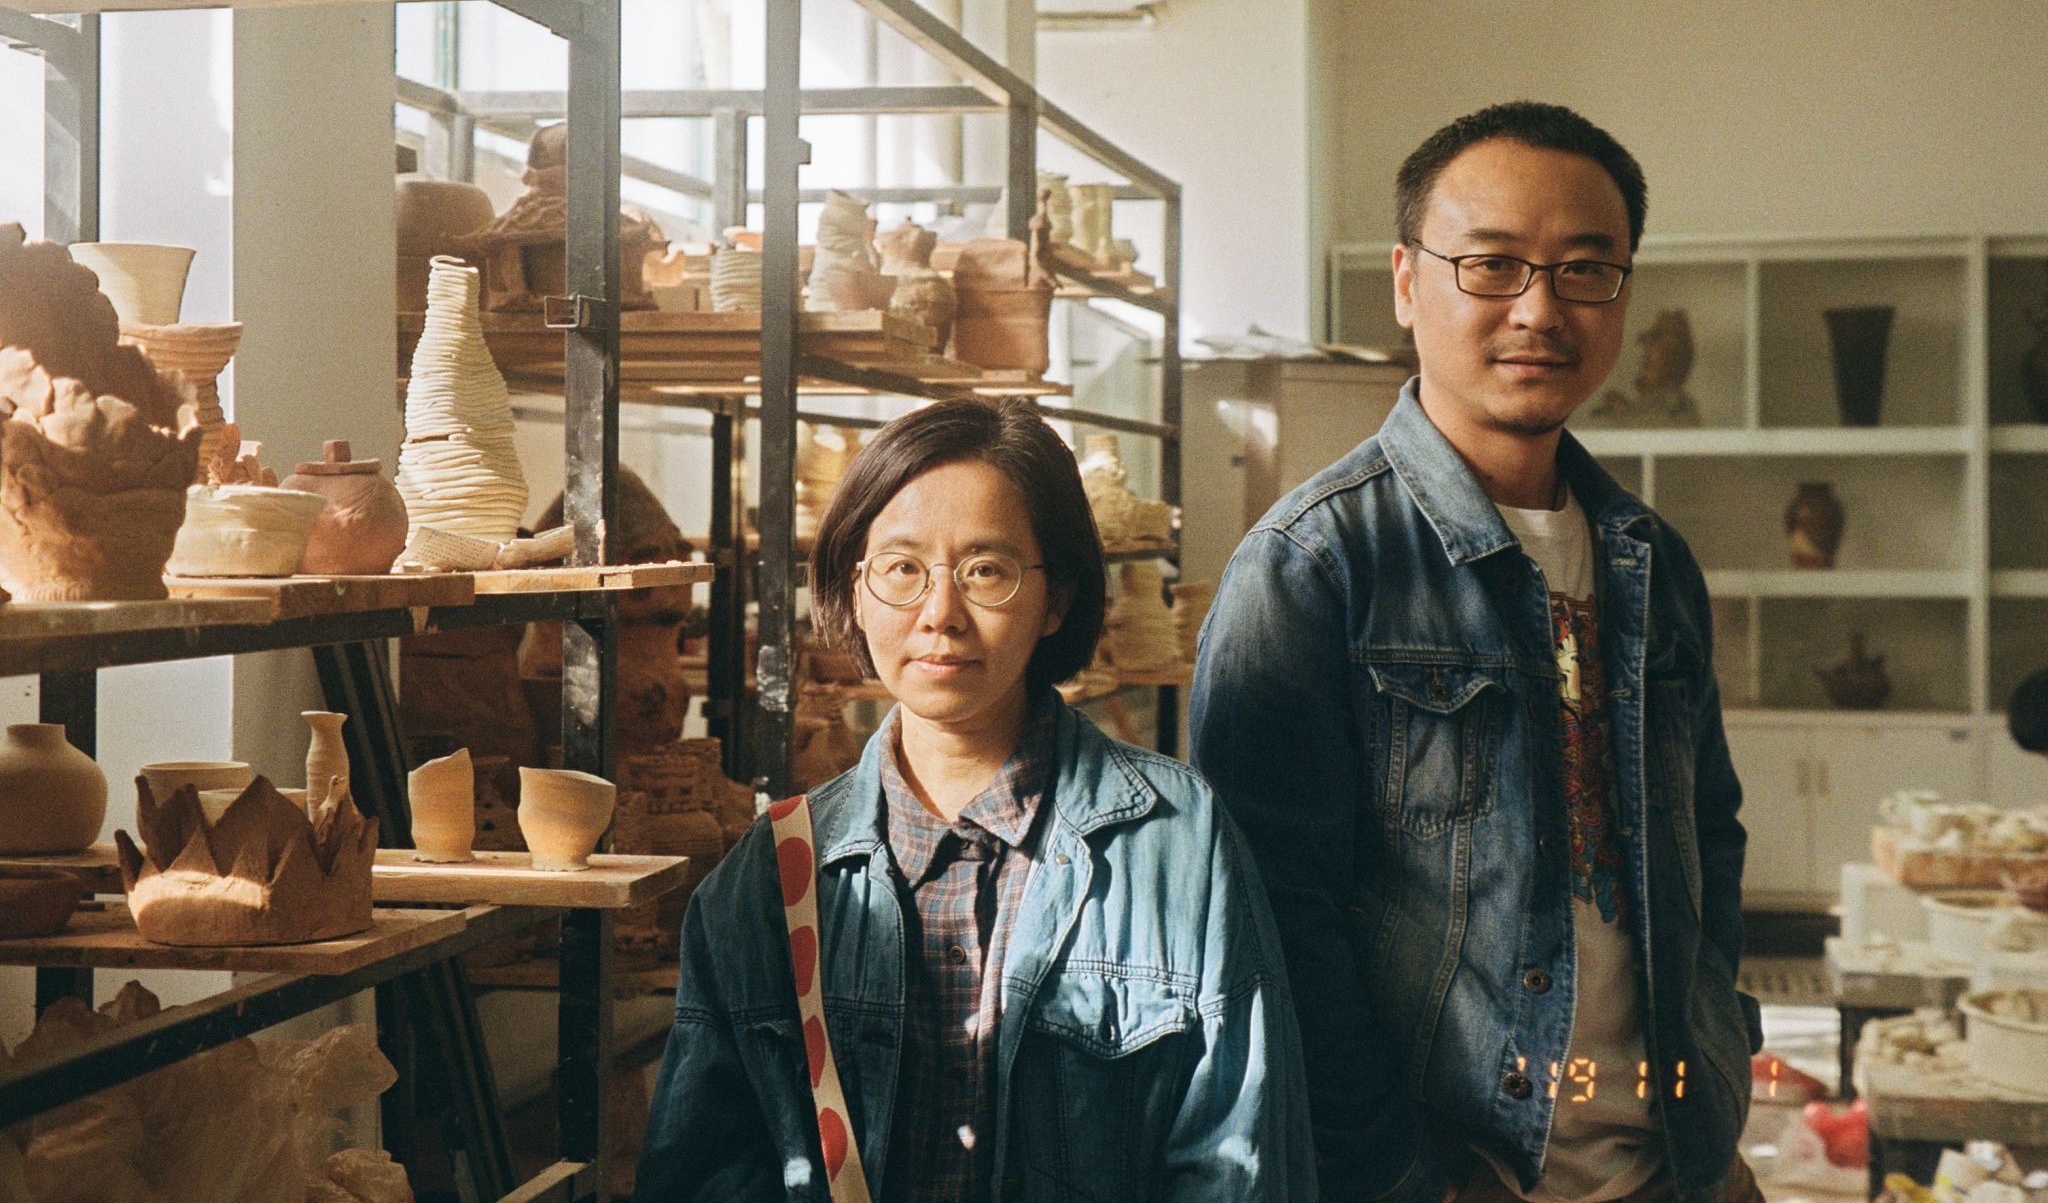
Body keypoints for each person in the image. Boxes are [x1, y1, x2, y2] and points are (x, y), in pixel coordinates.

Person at [1188, 102, 1762, 1203]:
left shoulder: (1651, 560)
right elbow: (1268, 921)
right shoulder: (1313, 567)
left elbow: (1709, 837)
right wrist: (1404, 1177)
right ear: (1407, 282)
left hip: (1675, 1165)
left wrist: (1721, 1065)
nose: (1539, 309)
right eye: (1491, 264)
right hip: (1461, 1174)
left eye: (1584, 269)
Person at [637, 396, 1315, 1202]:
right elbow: (704, 1173)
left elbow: (1238, 1163)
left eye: (985, 570)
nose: (940, 614)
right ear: (855, 590)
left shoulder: (1178, 843)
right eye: (901, 568)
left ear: (1056, 597)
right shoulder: (771, 876)